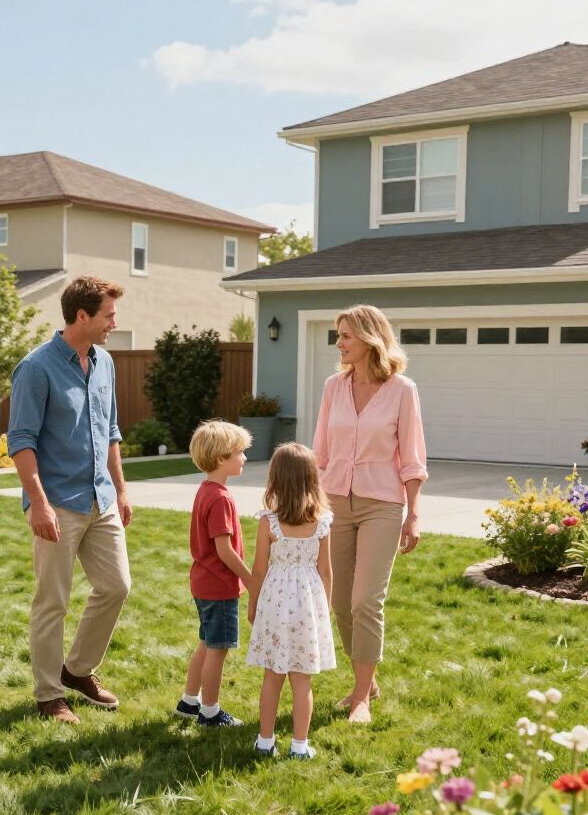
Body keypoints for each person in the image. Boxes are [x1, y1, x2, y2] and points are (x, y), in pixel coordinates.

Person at [7, 276, 132, 724]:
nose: (113, 322)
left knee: (117, 586)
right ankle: (48, 694)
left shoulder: (105, 363)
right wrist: (37, 503)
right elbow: (21, 441)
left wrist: (120, 489)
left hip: (100, 497)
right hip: (57, 501)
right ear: (83, 315)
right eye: (108, 315)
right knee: (52, 601)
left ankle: (77, 670)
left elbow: (111, 431)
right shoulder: (36, 368)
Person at [313, 304, 427, 725]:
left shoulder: (402, 390)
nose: (338, 343)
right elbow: (320, 451)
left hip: (383, 503)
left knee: (366, 600)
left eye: (345, 336)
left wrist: (413, 514)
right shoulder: (333, 386)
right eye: (337, 335)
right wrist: (308, 501)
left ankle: (361, 694)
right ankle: (368, 679)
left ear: (369, 339)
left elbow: (412, 457)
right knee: (340, 603)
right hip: (335, 501)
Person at [245, 443, 335, 760]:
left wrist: (252, 604)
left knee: (272, 676)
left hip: (274, 603)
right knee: (302, 679)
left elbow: (258, 568)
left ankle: (265, 741)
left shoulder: (268, 521)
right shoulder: (322, 522)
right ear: (312, 479)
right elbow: (325, 572)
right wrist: (325, 610)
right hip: (308, 605)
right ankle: (299, 745)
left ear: (276, 480)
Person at [175, 419, 253, 728]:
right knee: (217, 649)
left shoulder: (207, 490)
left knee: (206, 643)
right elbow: (224, 550)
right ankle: (210, 712)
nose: (244, 458)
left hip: (203, 582)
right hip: (219, 586)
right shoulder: (220, 498)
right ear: (221, 458)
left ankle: (189, 701)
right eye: (239, 453)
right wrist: (250, 577)